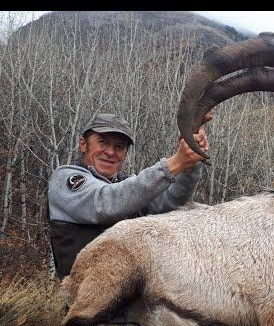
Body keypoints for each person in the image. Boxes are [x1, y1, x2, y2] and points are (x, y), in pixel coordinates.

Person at [48, 113, 210, 279]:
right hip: (89, 299)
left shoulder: (128, 187)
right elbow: (106, 204)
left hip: (132, 296)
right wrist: (176, 163)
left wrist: (190, 162)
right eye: (103, 142)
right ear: (83, 144)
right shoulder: (66, 179)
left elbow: (172, 199)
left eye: (119, 147)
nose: (110, 152)